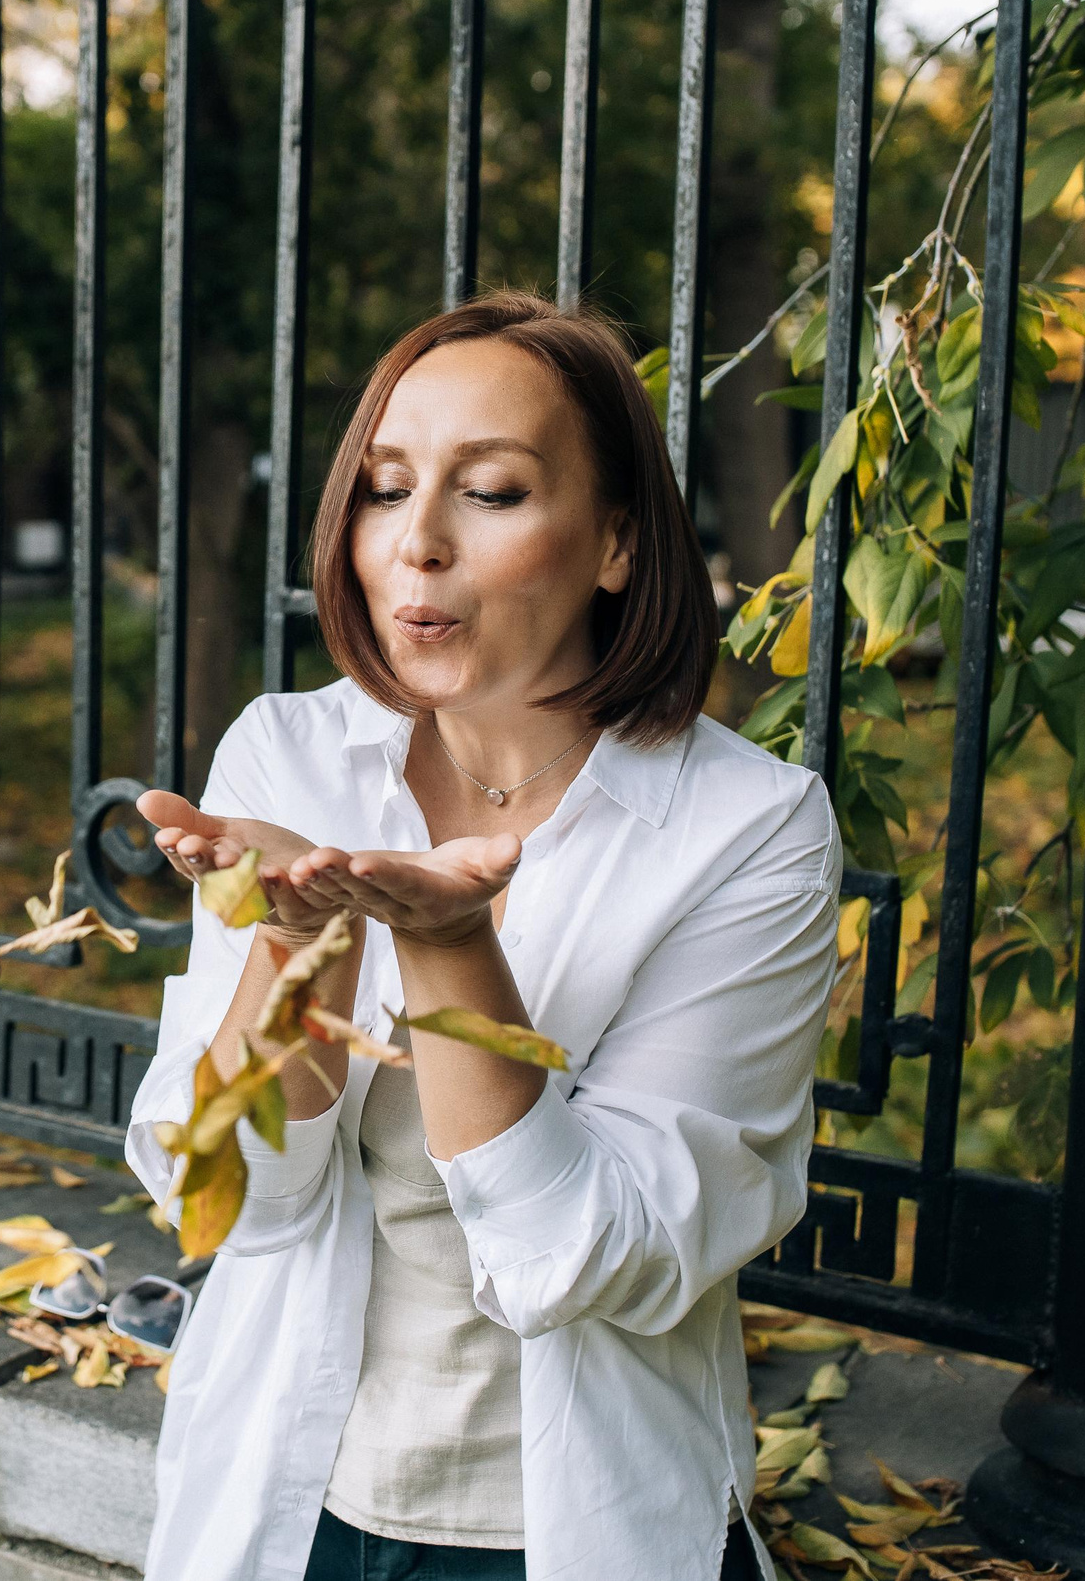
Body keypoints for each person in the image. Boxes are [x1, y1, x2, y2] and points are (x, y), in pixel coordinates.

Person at [124, 290, 839, 1581]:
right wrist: (301, 951)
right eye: (386, 490)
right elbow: (225, 1203)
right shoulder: (289, 758)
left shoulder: (750, 831)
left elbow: (594, 1257)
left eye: (493, 493)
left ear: (617, 543)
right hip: (289, 1507)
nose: (417, 545)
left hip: (576, 1530)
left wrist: (451, 949)